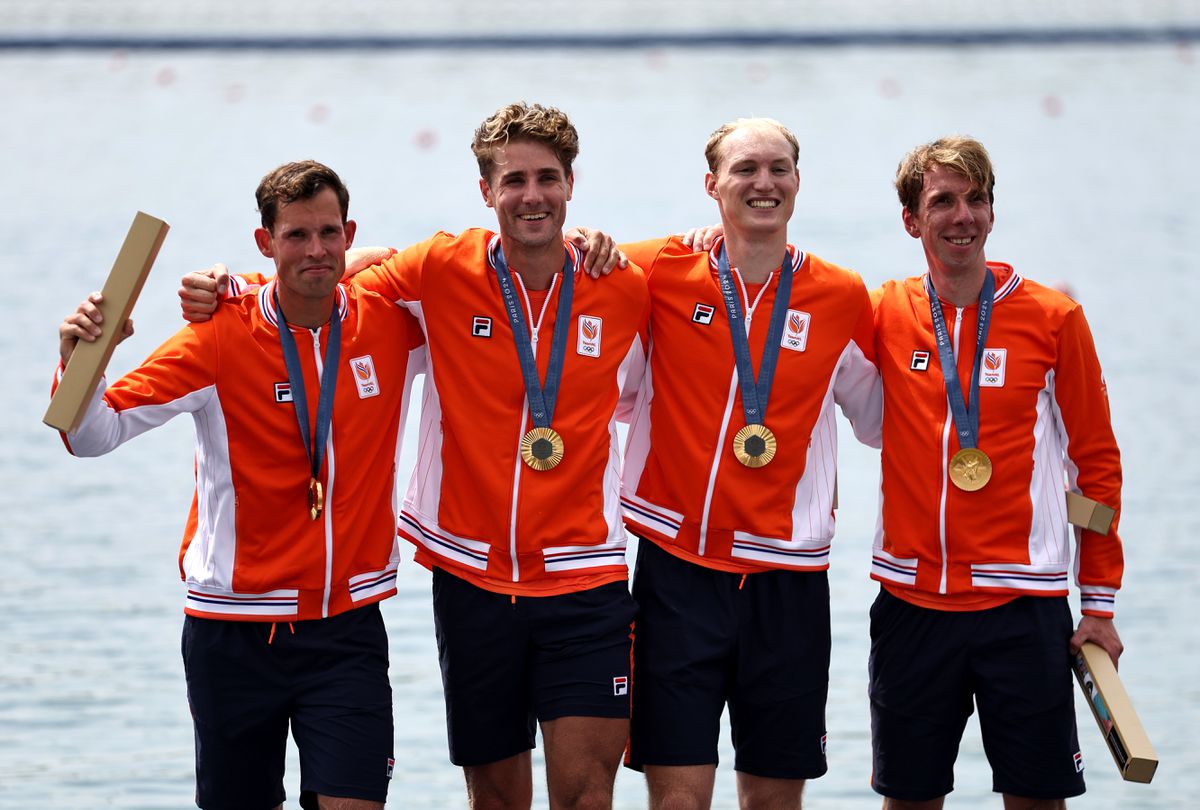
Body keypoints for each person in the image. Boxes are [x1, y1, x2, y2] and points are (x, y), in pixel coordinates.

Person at [179, 103, 650, 810]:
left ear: (571, 184)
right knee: (495, 798)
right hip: (471, 573)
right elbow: (317, 285)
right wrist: (228, 288)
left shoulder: (624, 286)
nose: (532, 195)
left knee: (587, 796)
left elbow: (649, 387)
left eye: (547, 178)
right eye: (513, 179)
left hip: (585, 573)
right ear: (486, 191)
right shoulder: (437, 268)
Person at [54, 161, 424, 809]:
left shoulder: (390, 322)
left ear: (348, 234)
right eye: (295, 236)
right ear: (264, 242)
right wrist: (81, 356)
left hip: (346, 626)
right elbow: (93, 435)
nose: (316, 250)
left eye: (329, 234)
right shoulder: (219, 335)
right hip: (232, 630)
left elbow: (442, 274)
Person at [614, 118, 882, 809]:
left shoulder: (843, 295)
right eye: (744, 170)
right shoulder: (662, 271)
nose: (763, 183)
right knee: (678, 801)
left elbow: (880, 422)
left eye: (779, 168)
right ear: (712, 186)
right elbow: (575, 270)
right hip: (678, 571)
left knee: (773, 802)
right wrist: (590, 239)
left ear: (796, 181)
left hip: (787, 579)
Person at [867, 136, 1124, 809]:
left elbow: (1092, 468)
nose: (963, 217)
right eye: (943, 202)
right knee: (908, 801)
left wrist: (1097, 603)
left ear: (991, 211)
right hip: (912, 607)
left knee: (1037, 802)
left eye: (976, 199)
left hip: (1025, 608)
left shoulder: (1054, 318)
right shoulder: (884, 312)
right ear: (911, 220)